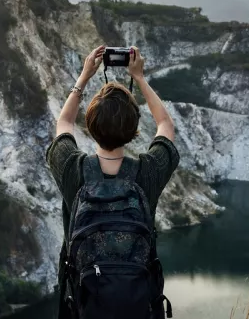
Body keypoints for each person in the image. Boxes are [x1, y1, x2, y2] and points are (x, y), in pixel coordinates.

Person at [45, 44, 179, 319]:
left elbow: (64, 123)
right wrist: (139, 77)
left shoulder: (73, 169)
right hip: (138, 306)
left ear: (91, 125)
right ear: (133, 130)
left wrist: (83, 77)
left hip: (84, 306)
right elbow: (165, 124)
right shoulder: (147, 173)